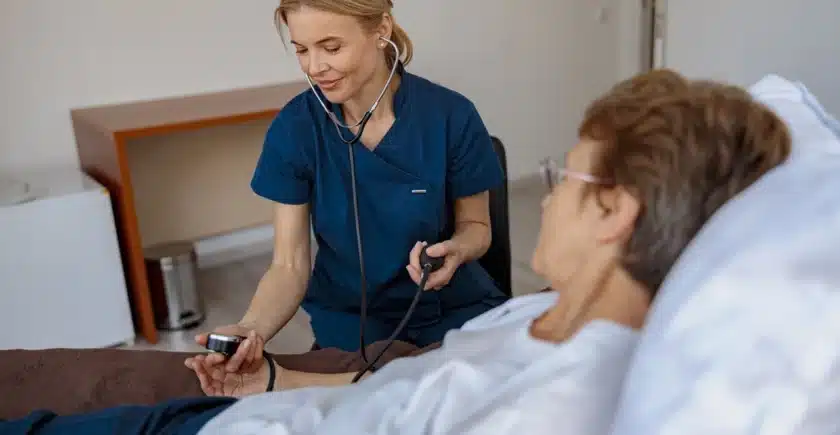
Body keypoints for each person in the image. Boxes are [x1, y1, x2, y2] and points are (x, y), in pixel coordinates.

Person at [1, 69, 792, 434]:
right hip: (308, 385)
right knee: (46, 375)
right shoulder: (536, 318)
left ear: (616, 208)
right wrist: (269, 372)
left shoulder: (553, 399)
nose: (545, 194)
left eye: (563, 175)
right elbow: (407, 385)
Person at [202, 0, 511, 370]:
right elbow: (289, 264)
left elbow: (477, 228)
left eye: (331, 48)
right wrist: (251, 328)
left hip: (451, 311)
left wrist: (458, 249)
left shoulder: (452, 116)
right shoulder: (296, 128)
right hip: (352, 323)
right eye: (301, 50)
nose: (315, 67)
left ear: (381, 30)